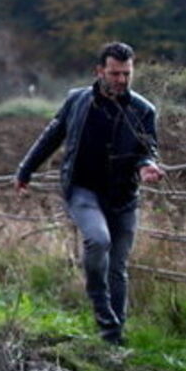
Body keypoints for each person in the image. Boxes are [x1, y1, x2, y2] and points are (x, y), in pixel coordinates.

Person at [15, 41, 165, 345]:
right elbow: (51, 136)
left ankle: (114, 338)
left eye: (127, 74)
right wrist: (25, 170)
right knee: (98, 241)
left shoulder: (143, 110)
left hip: (123, 197)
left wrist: (147, 166)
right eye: (115, 73)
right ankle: (102, 313)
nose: (121, 80)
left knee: (117, 268)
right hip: (83, 190)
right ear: (99, 71)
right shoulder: (77, 101)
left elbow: (147, 150)